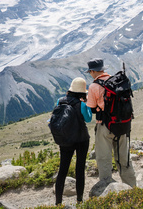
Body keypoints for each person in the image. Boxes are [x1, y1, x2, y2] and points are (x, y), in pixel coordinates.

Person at [85, 58, 137, 187]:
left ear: (92, 71)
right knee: (124, 159)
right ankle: (132, 187)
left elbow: (91, 108)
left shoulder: (94, 86)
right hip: (123, 125)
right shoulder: (117, 82)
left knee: (104, 158)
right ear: (103, 69)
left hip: (104, 126)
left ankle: (107, 188)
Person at [55, 77, 92, 205]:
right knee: (79, 169)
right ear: (82, 92)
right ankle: (79, 200)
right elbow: (88, 119)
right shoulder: (81, 104)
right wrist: (86, 104)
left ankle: (58, 202)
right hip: (81, 139)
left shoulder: (60, 101)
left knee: (62, 170)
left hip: (65, 140)